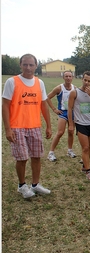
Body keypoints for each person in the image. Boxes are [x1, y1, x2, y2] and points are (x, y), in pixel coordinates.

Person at [2, 53, 52, 198]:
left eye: (31, 65)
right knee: (22, 158)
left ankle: (35, 185)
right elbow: (5, 105)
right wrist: (7, 129)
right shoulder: (12, 82)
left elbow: (44, 106)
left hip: (34, 126)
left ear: (36, 66)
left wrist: (48, 126)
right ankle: (22, 186)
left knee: (36, 156)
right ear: (20, 65)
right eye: (25, 64)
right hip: (17, 126)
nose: (28, 67)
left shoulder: (39, 83)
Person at [68, 71, 90, 182]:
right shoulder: (74, 92)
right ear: (82, 79)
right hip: (80, 124)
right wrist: (71, 124)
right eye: (85, 80)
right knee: (85, 148)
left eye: (89, 81)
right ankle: (88, 170)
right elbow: (69, 109)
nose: (86, 82)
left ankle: (85, 166)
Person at [46, 70, 77, 161]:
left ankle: (70, 150)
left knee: (71, 132)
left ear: (72, 78)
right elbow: (47, 97)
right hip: (63, 112)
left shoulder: (74, 88)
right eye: (66, 76)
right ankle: (51, 153)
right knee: (60, 132)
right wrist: (54, 109)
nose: (68, 78)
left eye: (70, 76)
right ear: (63, 77)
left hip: (72, 113)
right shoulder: (59, 88)